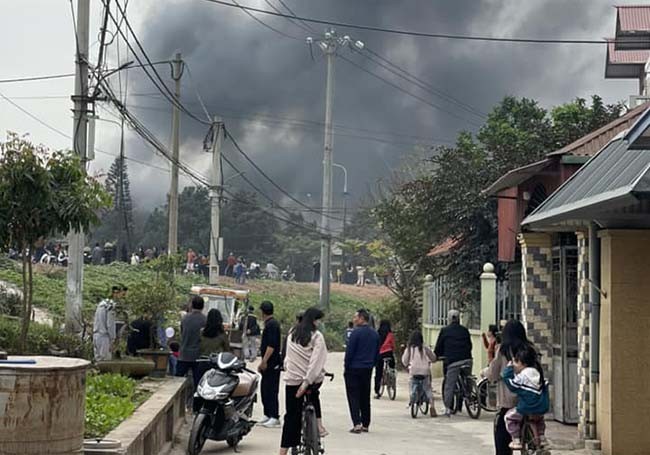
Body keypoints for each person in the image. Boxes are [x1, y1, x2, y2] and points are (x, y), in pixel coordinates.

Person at [279, 307, 329, 455]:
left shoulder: (292, 334)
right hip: (311, 381)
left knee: (291, 417)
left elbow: (288, 358)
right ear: (314, 320)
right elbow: (316, 362)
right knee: (314, 395)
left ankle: (282, 452)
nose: (319, 323)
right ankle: (318, 426)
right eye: (318, 320)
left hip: (292, 381)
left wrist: (289, 371)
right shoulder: (317, 336)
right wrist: (307, 381)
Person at [482, 319, 533, 455]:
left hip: (509, 404)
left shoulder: (503, 351)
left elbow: (493, 374)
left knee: (502, 438)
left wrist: (485, 372)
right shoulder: (530, 350)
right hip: (530, 402)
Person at [502, 344, 549, 450]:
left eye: (516, 362)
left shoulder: (523, 375)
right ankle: (542, 438)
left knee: (509, 417)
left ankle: (516, 440)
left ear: (523, 363)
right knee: (539, 420)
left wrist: (508, 370)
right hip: (541, 407)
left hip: (527, 408)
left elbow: (511, 384)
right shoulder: (537, 373)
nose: (514, 365)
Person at [344, 308, 380, 434]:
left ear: (362, 318)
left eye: (356, 317)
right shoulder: (375, 334)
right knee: (365, 396)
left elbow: (349, 352)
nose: (354, 319)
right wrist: (372, 364)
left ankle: (357, 423)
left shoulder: (355, 333)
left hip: (354, 368)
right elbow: (377, 353)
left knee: (353, 396)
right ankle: (366, 423)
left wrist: (346, 366)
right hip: (367, 368)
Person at [434, 309, 473, 417]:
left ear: (449, 319)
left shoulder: (445, 330)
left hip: (452, 361)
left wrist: (436, 356)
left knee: (449, 384)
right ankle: (469, 395)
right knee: (467, 378)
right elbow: (470, 345)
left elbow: (439, 346)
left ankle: (447, 407)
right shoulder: (465, 330)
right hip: (467, 359)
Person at [402, 330, 438, 417]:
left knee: (411, 384)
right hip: (425, 372)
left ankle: (412, 397)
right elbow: (433, 358)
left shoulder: (409, 349)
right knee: (428, 389)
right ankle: (432, 406)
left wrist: (407, 364)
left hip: (414, 372)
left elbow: (404, 361)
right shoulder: (425, 348)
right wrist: (433, 360)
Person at [258, 300, 282, 428]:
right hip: (268, 363)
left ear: (262, 311)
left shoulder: (272, 325)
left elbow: (271, 346)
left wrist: (264, 361)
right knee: (265, 389)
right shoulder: (269, 324)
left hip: (272, 363)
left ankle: (274, 416)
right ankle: (267, 413)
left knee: (271, 389)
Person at [176, 296, 207, 388]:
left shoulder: (185, 319)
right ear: (202, 306)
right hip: (198, 356)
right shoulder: (205, 320)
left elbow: (182, 333)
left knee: (177, 381)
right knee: (198, 383)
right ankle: (196, 401)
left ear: (192, 305)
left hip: (184, 354)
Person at [93, 286, 124, 361]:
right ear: (116, 294)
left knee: (98, 361)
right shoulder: (110, 306)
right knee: (105, 362)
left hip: (96, 335)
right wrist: (113, 339)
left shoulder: (101, 304)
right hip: (104, 337)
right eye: (121, 294)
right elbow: (110, 324)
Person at [374, 319, 396, 399]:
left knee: (378, 372)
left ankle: (377, 391)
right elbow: (393, 345)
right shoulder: (390, 334)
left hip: (380, 354)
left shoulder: (377, 334)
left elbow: (375, 345)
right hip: (389, 354)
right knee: (392, 366)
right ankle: (392, 377)